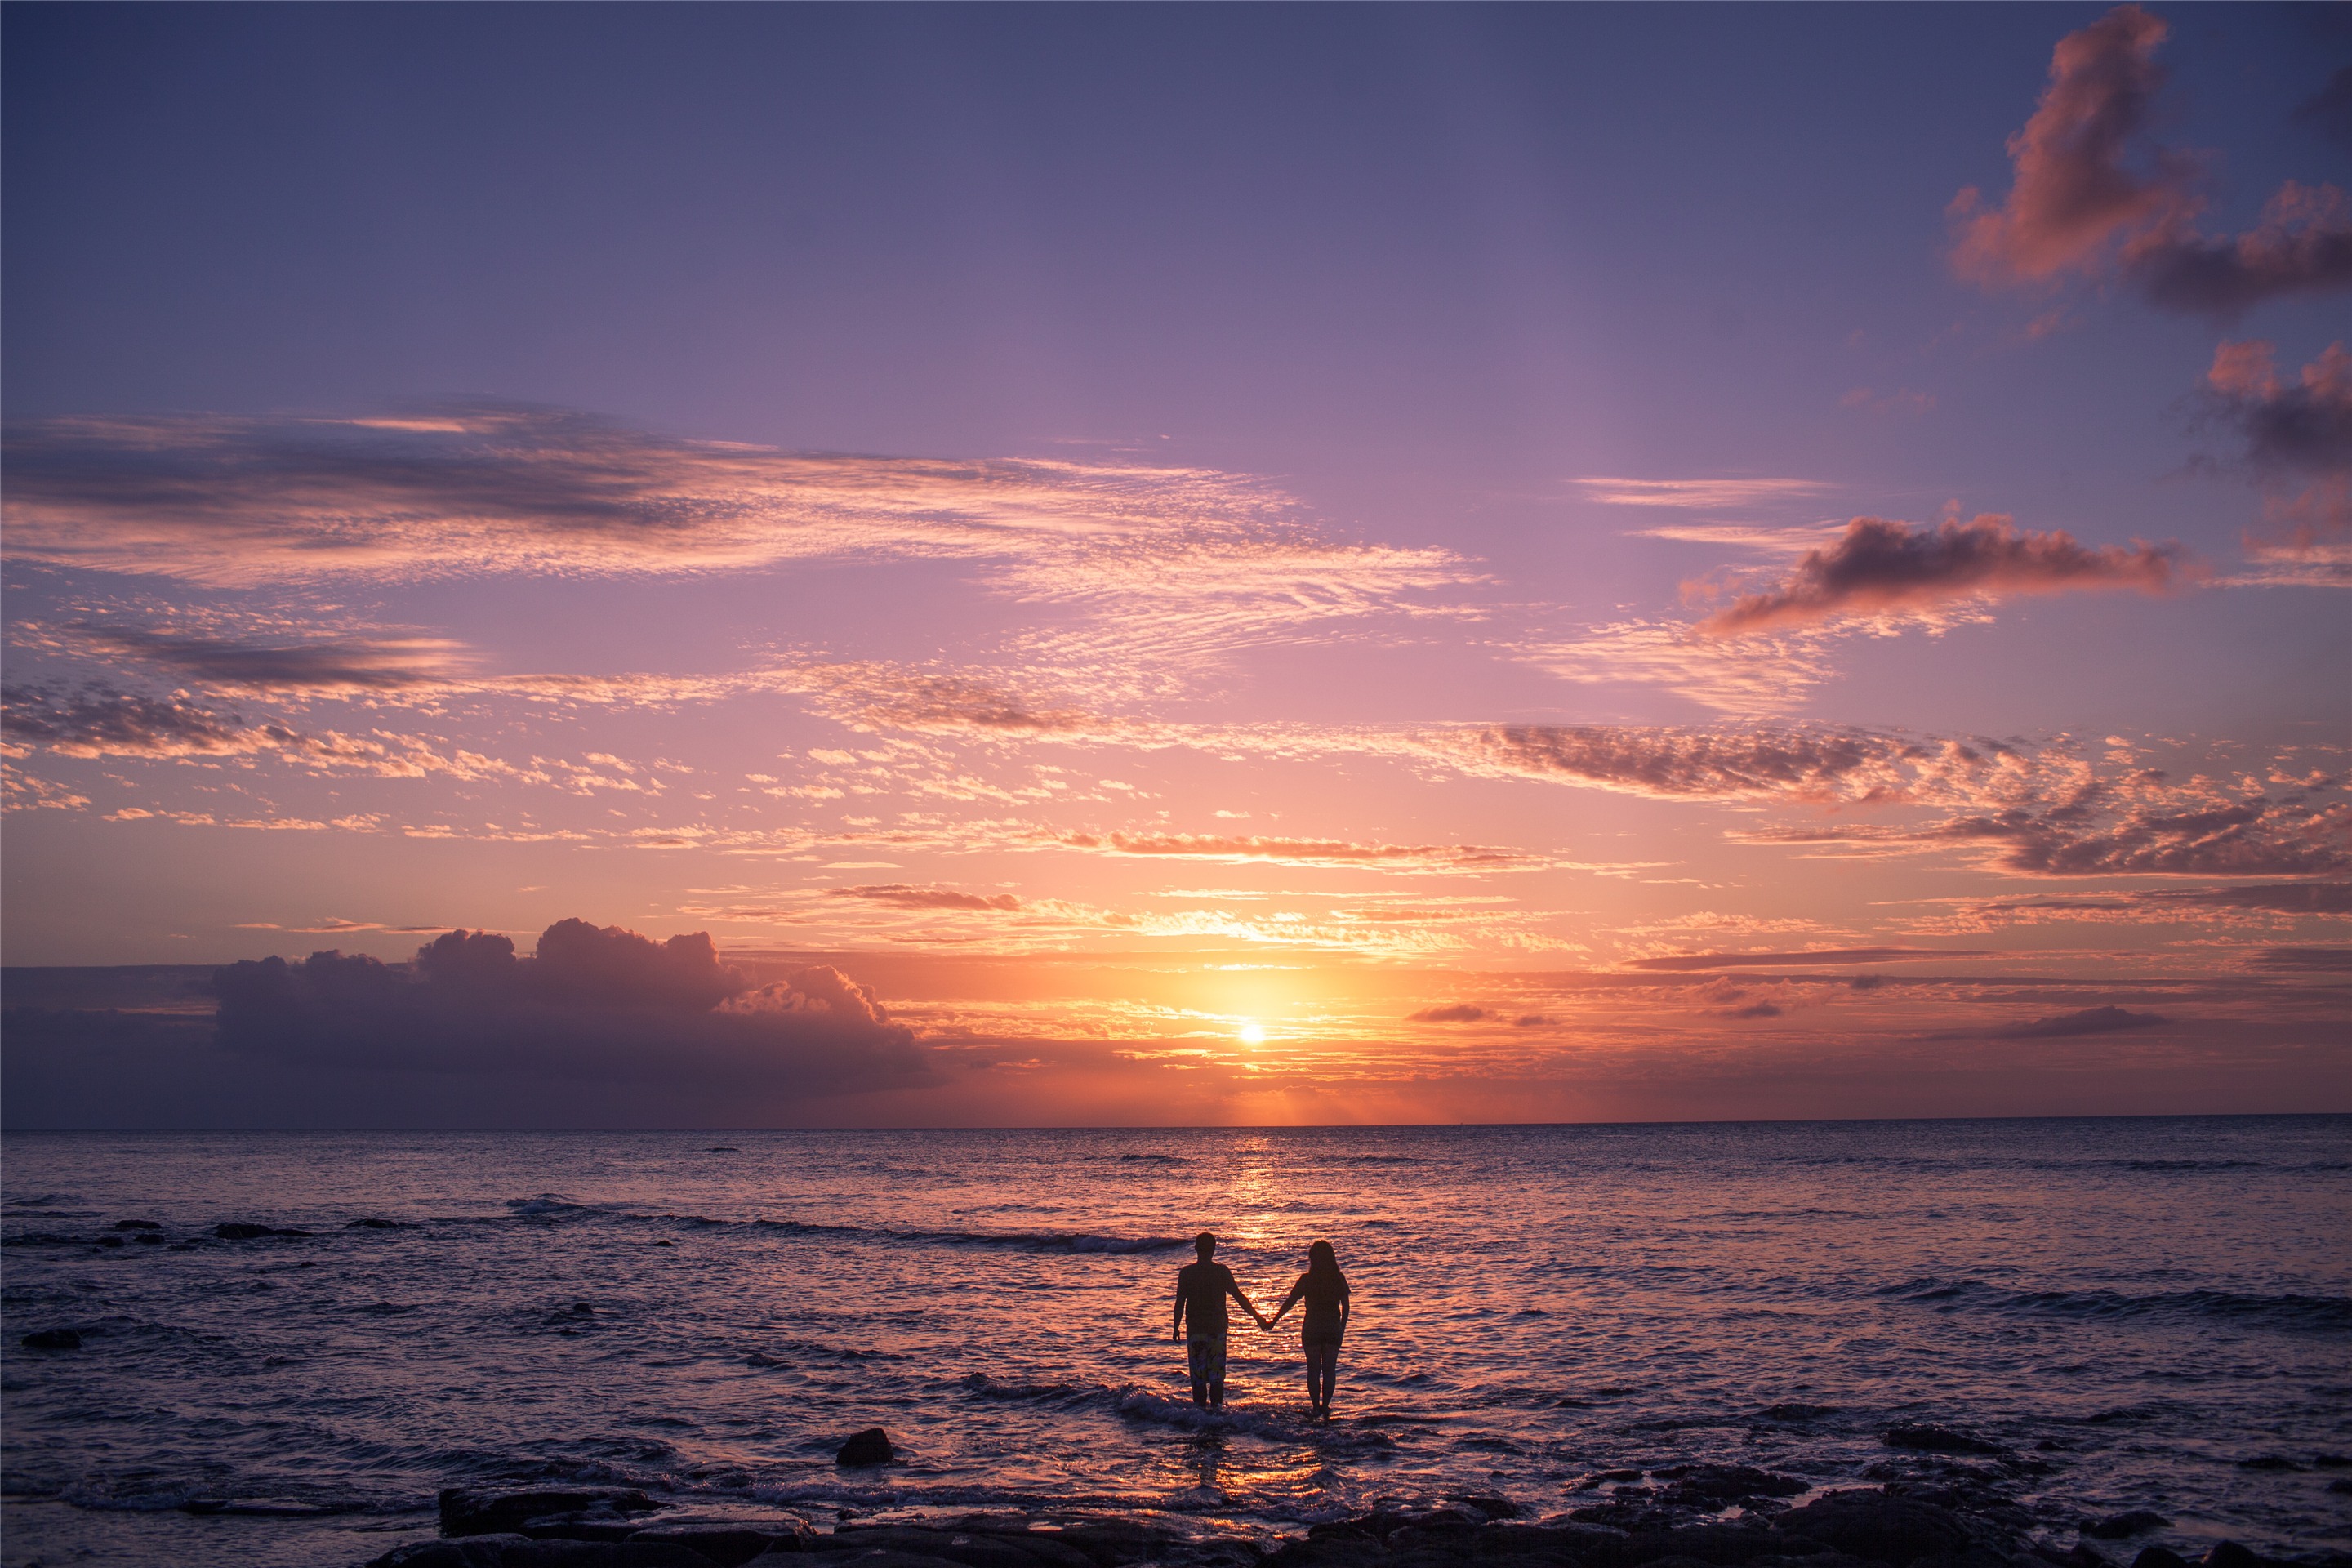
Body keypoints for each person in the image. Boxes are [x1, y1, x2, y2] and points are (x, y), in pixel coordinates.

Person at [1171, 1232, 1267, 1409]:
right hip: (1216, 1330)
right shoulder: (1221, 1272)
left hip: (1196, 1330)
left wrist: (1175, 1327)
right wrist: (1258, 1318)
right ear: (1214, 1250)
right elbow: (1239, 1297)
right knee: (1216, 1377)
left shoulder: (1186, 1273)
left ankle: (1199, 1413)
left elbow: (1179, 1303)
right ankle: (1217, 1412)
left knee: (1198, 1378)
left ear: (1196, 1249)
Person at [1265, 1239, 1351, 1419]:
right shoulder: (1338, 1278)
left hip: (1312, 1327)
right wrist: (1341, 1327)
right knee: (1329, 1369)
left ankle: (1315, 1408)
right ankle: (1325, 1407)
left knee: (1313, 1370)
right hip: (1332, 1327)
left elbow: (1290, 1302)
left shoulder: (1307, 1279)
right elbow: (1346, 1305)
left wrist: (1274, 1320)